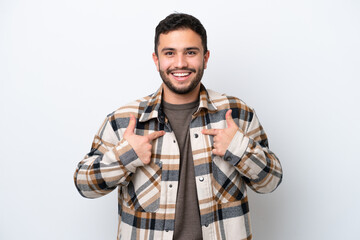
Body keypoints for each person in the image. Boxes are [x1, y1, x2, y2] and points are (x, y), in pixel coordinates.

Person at [74, 13, 283, 240]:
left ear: (205, 57)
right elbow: (85, 185)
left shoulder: (237, 113)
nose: (180, 63)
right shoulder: (125, 120)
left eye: (190, 52)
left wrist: (239, 149)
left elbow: (270, 183)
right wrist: (125, 156)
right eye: (170, 53)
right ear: (156, 60)